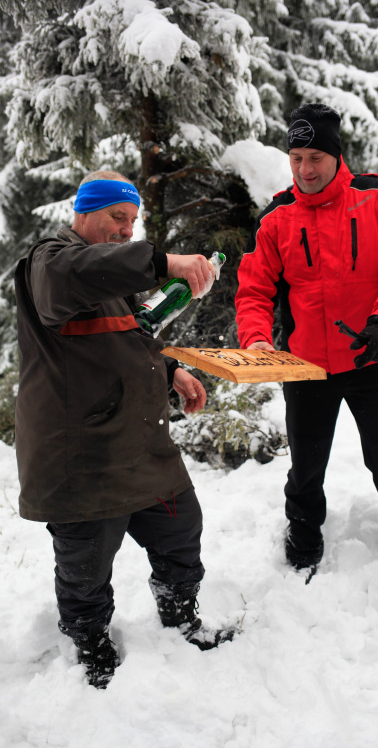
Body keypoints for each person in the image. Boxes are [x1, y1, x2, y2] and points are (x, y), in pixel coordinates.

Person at [14, 170, 234, 689]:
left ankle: (180, 615)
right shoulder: (49, 263)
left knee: (181, 531)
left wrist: (170, 370)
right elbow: (76, 277)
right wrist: (163, 261)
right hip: (82, 452)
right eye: (117, 217)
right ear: (84, 211)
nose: (126, 230)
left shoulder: (113, 277)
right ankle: (90, 644)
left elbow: (128, 338)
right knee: (86, 565)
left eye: (133, 222)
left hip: (139, 443)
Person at [235, 103, 378, 573]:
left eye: (315, 157)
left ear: (336, 155)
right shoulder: (277, 217)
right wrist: (257, 340)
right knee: (305, 466)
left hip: (372, 357)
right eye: (296, 158)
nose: (305, 169)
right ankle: (303, 540)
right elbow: (254, 290)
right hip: (305, 366)